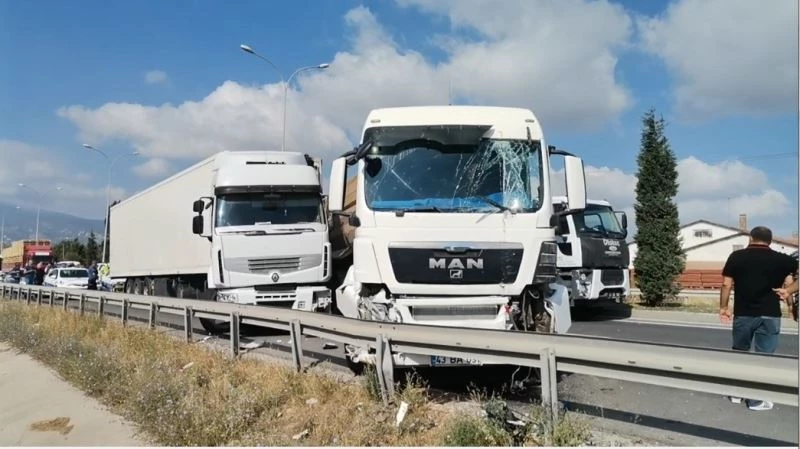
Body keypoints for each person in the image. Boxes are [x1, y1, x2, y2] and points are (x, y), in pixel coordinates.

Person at [719, 226, 798, 411]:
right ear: (769, 241)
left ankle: (737, 394)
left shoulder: (736, 257)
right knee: (765, 358)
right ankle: (756, 400)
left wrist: (723, 307)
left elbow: (726, 283)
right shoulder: (781, 259)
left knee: (740, 352)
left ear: (750, 238)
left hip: (743, 313)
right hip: (770, 314)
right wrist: (789, 291)